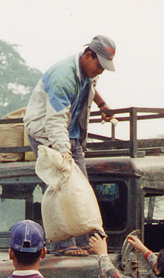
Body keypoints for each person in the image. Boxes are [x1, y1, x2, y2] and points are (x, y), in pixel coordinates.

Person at [23, 35, 116, 256]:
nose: (101, 71)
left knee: (80, 187)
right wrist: (63, 153)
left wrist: (101, 104)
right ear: (88, 55)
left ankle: (86, 242)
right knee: (61, 184)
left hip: (72, 134)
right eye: (99, 65)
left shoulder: (88, 72)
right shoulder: (63, 76)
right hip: (47, 134)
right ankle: (65, 245)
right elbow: (54, 121)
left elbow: (88, 88)